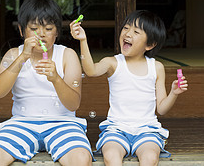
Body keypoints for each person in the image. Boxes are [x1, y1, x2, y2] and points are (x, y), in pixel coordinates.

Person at [0, 0, 93, 166]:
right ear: (21, 30)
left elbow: (73, 104)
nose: (41, 34)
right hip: (21, 122)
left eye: (48, 28)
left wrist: (56, 79)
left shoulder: (67, 56)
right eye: (34, 28)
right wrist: (23, 57)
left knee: (81, 158)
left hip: (63, 123)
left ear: (57, 32)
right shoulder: (13, 54)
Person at [70, 10, 189, 166]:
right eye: (126, 28)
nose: (127, 33)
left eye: (136, 31)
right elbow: (91, 71)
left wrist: (174, 93)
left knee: (150, 157)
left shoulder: (156, 67)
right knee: (111, 155)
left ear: (150, 44)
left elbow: (161, 109)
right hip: (116, 129)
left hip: (147, 130)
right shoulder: (113, 63)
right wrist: (83, 40)